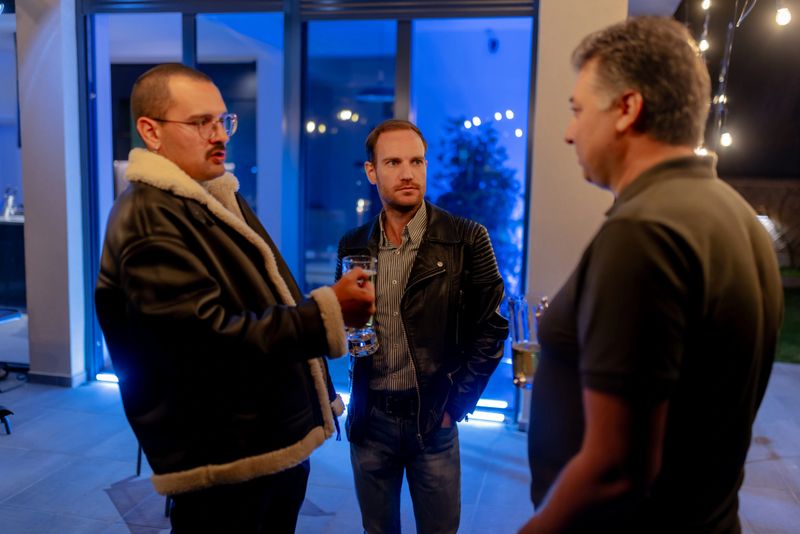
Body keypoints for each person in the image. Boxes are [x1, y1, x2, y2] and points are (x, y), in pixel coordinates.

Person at [520, 17, 784, 533]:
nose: (569, 132)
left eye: (577, 110)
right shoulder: (735, 214)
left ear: (626, 108)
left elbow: (617, 468)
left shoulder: (644, 231)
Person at [95, 63, 375, 534]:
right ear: (151, 131)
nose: (218, 134)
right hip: (224, 459)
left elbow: (260, 300)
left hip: (259, 445)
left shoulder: (208, 196)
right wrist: (327, 312)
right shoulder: (150, 217)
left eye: (223, 121)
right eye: (199, 122)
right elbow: (206, 343)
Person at [337, 119, 509, 534]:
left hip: (433, 419)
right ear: (371, 171)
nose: (408, 173)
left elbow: (491, 329)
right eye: (393, 162)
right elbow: (348, 320)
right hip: (370, 418)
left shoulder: (467, 238)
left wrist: (456, 406)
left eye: (417, 161)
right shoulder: (353, 245)